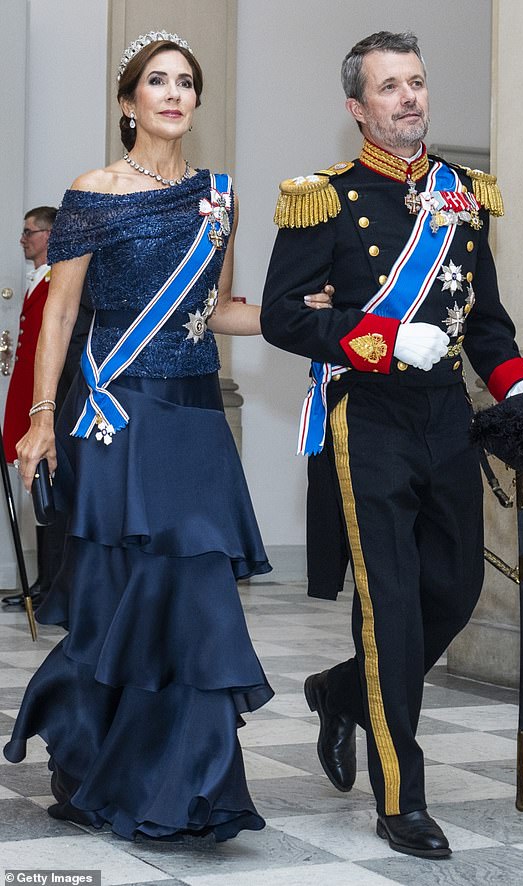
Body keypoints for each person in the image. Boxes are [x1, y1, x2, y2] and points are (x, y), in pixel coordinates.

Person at [3, 30, 331, 844]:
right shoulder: (93, 190)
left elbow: (214, 311)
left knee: (199, 607)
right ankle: (96, 759)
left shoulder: (220, 194)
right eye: (158, 81)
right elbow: (64, 313)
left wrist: (298, 319)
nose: (175, 94)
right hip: (119, 418)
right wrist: (44, 415)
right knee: (119, 605)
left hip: (192, 418)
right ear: (128, 102)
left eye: (187, 81)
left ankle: (191, 789)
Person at [261, 30, 523, 860]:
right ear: (358, 108)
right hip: (371, 419)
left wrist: (521, 387)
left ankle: (342, 689)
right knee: (390, 607)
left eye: (417, 83)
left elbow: (488, 326)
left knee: (455, 591)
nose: (411, 98)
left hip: (446, 418)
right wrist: (380, 340)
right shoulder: (324, 197)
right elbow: (286, 314)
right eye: (391, 87)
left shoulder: (465, 196)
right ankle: (403, 799)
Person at [2, 211, 93, 611]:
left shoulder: (62, 278)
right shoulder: (37, 280)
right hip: (31, 397)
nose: (23, 238)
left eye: (30, 231)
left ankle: (57, 584)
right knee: (37, 486)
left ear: (50, 235)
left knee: (52, 491)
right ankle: (44, 581)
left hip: (53, 398)